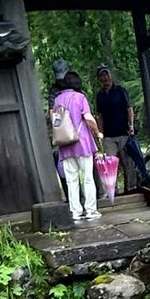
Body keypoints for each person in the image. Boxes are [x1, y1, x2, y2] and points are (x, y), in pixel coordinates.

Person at [52, 68, 103, 223]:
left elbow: (56, 121)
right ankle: (90, 210)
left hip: (65, 144)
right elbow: (88, 118)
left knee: (71, 180)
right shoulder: (80, 97)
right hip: (82, 143)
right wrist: (97, 132)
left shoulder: (57, 100)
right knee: (88, 178)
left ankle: (75, 211)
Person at [94, 65, 149, 193]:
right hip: (108, 135)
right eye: (101, 75)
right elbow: (100, 115)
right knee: (110, 163)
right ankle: (113, 189)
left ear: (110, 75)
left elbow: (129, 109)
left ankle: (131, 187)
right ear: (99, 79)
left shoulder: (120, 91)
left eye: (106, 74)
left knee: (128, 162)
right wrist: (100, 133)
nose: (104, 78)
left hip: (123, 132)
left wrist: (130, 126)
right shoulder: (100, 95)